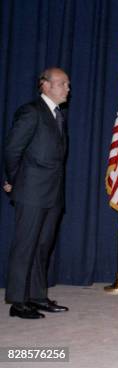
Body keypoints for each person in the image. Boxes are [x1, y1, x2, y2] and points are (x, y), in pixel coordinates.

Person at [3, 67, 71, 319]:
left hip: (53, 193)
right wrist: (15, 180)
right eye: (62, 83)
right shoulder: (31, 112)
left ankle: (37, 296)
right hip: (30, 192)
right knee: (25, 246)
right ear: (45, 85)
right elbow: (12, 149)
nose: (67, 88)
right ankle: (18, 302)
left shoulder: (58, 115)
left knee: (43, 246)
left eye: (68, 84)